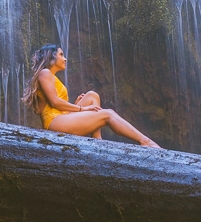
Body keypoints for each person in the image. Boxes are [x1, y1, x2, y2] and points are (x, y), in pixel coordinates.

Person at [22, 43, 161, 148]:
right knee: (108, 114)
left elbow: (58, 105)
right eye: (61, 55)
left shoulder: (51, 76)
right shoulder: (45, 73)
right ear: (51, 57)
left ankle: (97, 141)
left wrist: (75, 106)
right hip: (54, 122)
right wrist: (82, 109)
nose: (65, 58)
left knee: (92, 96)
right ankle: (145, 141)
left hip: (61, 117)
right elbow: (54, 102)